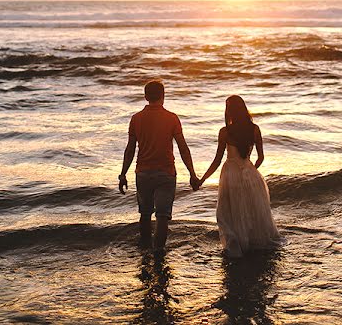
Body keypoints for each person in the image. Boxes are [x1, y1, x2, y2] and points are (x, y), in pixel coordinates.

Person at [119, 80, 200, 250]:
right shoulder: (172, 118)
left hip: (143, 173)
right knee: (163, 217)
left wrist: (123, 174)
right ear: (163, 96)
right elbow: (183, 148)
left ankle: (145, 250)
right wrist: (192, 174)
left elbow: (130, 149)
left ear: (146, 97)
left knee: (145, 214)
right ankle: (158, 253)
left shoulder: (136, 119)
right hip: (166, 173)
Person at [199, 95, 280, 257]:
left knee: (228, 213)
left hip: (230, 176)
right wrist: (249, 171)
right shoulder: (255, 129)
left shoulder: (225, 132)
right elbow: (261, 157)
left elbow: (216, 160)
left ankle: (236, 246)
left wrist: (202, 179)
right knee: (251, 212)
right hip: (252, 175)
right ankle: (253, 245)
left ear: (229, 111)